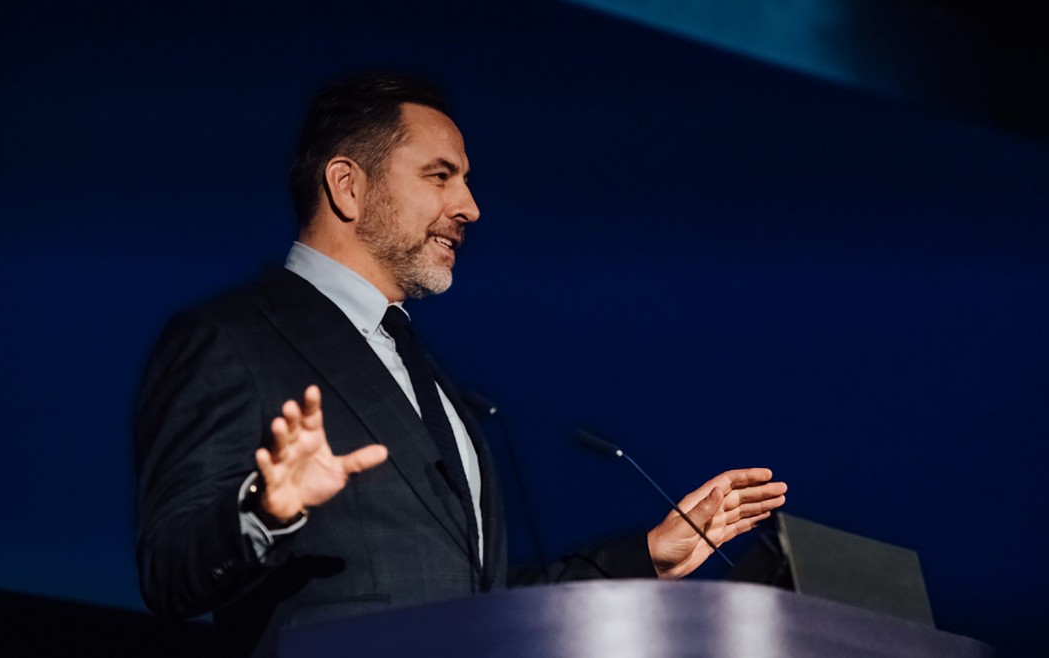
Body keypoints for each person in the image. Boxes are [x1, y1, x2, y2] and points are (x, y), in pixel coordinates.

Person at [134, 74, 788, 656]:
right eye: (439, 176)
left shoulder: (426, 372)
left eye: (465, 180)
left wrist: (649, 555)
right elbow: (169, 574)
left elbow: (479, 601)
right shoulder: (231, 336)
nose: (470, 207)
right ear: (347, 186)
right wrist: (264, 510)